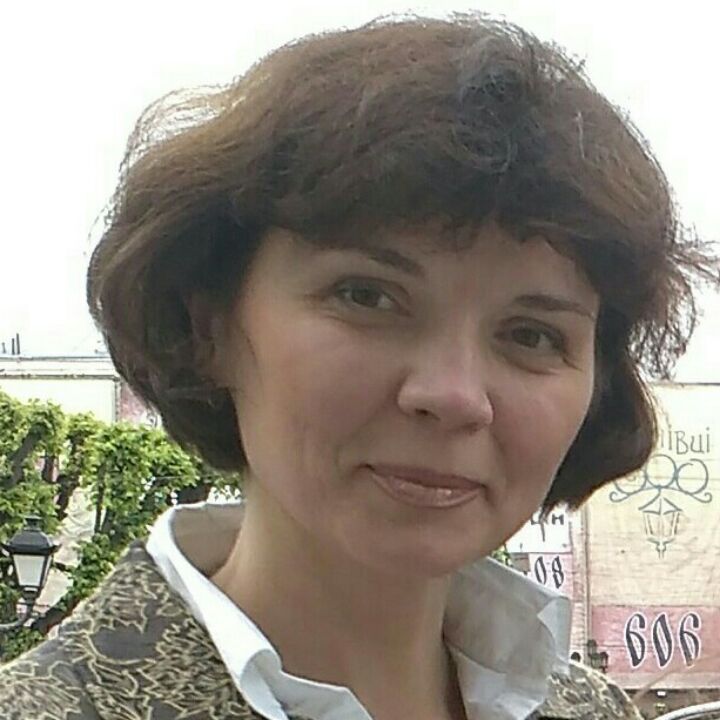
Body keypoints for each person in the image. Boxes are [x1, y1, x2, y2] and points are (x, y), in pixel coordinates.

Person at [0, 13, 715, 720]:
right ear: (208, 326)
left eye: (531, 335)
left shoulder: (595, 709)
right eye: (368, 297)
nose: (454, 395)